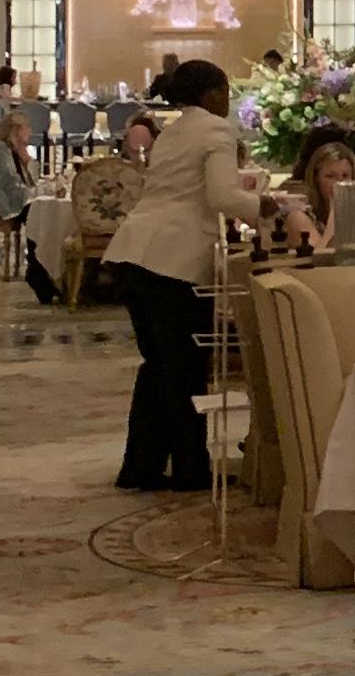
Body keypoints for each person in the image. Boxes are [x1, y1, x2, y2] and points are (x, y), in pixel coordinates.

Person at [102, 59, 265, 492]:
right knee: (184, 368)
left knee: (158, 365)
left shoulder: (172, 131)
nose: (228, 101)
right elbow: (223, 196)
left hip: (133, 251)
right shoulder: (215, 129)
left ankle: (141, 466)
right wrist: (267, 207)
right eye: (226, 91)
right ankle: (189, 469)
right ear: (211, 94)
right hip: (172, 261)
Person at [273, 127, 355, 255]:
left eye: (345, 176)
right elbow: (319, 259)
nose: (339, 183)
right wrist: (335, 215)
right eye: (330, 176)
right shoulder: (299, 216)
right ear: (316, 179)